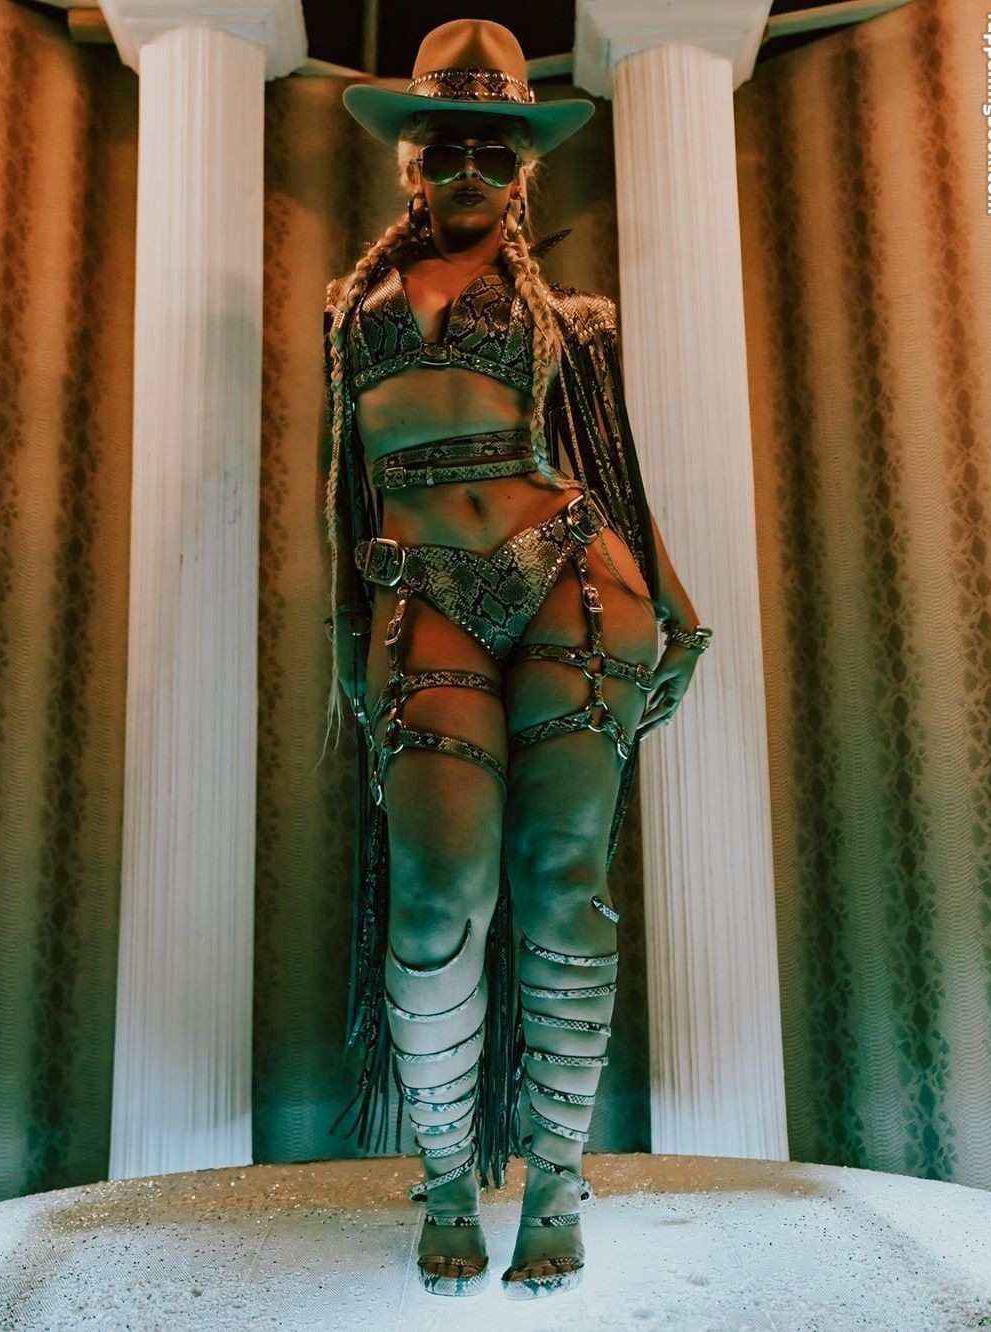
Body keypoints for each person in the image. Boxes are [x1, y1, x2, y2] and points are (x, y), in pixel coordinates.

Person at [317, 18, 711, 1301]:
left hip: (571, 581)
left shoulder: (568, 319)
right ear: (411, 163)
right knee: (438, 896)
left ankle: (555, 1181)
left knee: (560, 882)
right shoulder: (350, 314)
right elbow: (344, 496)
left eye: (498, 150)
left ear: (525, 171)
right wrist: (347, 643)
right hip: (421, 587)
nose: (473, 169)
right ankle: (443, 1181)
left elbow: (617, 471)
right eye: (449, 147)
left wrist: (681, 610)